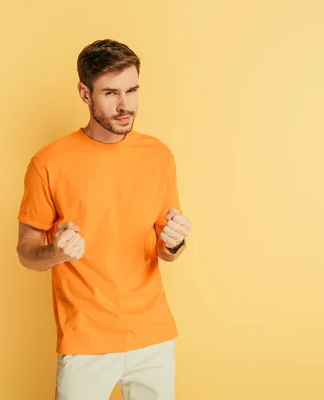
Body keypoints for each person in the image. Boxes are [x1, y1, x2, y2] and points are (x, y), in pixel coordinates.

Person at [16, 39, 192, 400]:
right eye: (111, 93)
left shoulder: (158, 156)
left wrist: (174, 242)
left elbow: (166, 250)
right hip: (85, 339)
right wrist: (56, 253)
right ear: (85, 92)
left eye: (132, 90)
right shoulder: (48, 162)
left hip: (153, 336)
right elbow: (26, 251)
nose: (125, 105)